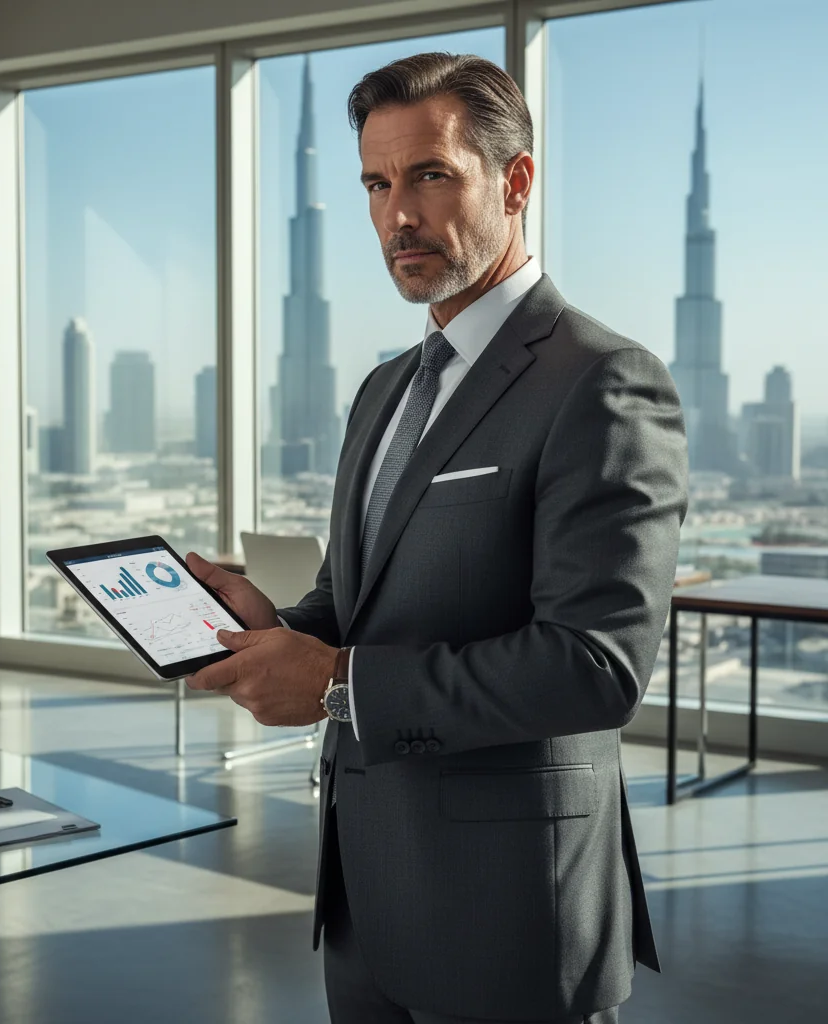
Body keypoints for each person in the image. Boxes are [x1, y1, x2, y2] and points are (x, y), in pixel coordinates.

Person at [186, 51, 688, 1024]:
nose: (395, 215)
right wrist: (271, 626)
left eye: (428, 175)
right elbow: (353, 606)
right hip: (363, 906)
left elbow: (594, 666)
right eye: (376, 183)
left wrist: (335, 683)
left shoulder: (601, 381)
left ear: (516, 181)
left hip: (508, 917)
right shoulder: (382, 391)